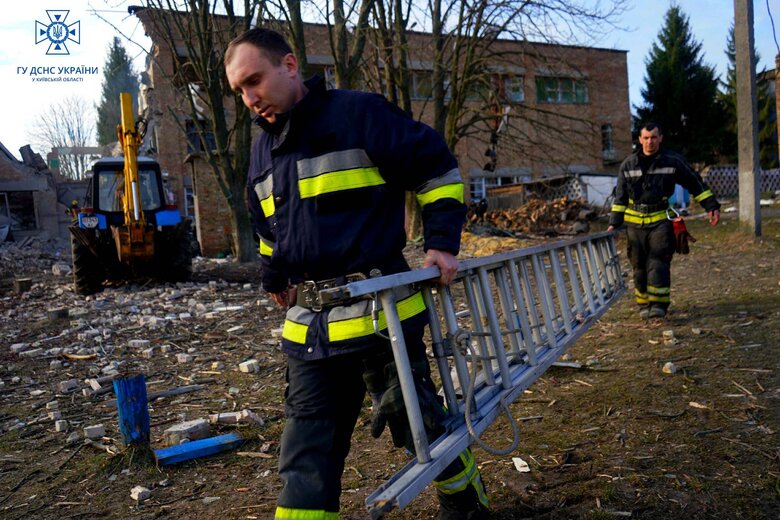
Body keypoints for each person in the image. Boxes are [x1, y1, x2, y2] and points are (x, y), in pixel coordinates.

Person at [224, 28, 489, 520]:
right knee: (305, 453)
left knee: (418, 428)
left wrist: (440, 244)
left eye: (254, 80)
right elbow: (268, 230)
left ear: (289, 65)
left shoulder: (359, 114)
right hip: (310, 330)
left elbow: (437, 169)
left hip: (382, 318)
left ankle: (466, 501)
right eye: (239, 90)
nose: (249, 98)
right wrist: (274, 276)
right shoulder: (262, 151)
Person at [608, 122, 720, 319]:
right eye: (646, 138)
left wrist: (711, 205)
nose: (650, 141)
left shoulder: (672, 161)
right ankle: (644, 305)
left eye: (654, 137)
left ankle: (658, 306)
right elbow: (620, 197)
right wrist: (614, 224)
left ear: (660, 138)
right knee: (638, 265)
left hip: (660, 221)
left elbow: (694, 182)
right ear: (640, 139)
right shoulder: (628, 164)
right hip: (634, 224)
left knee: (658, 260)